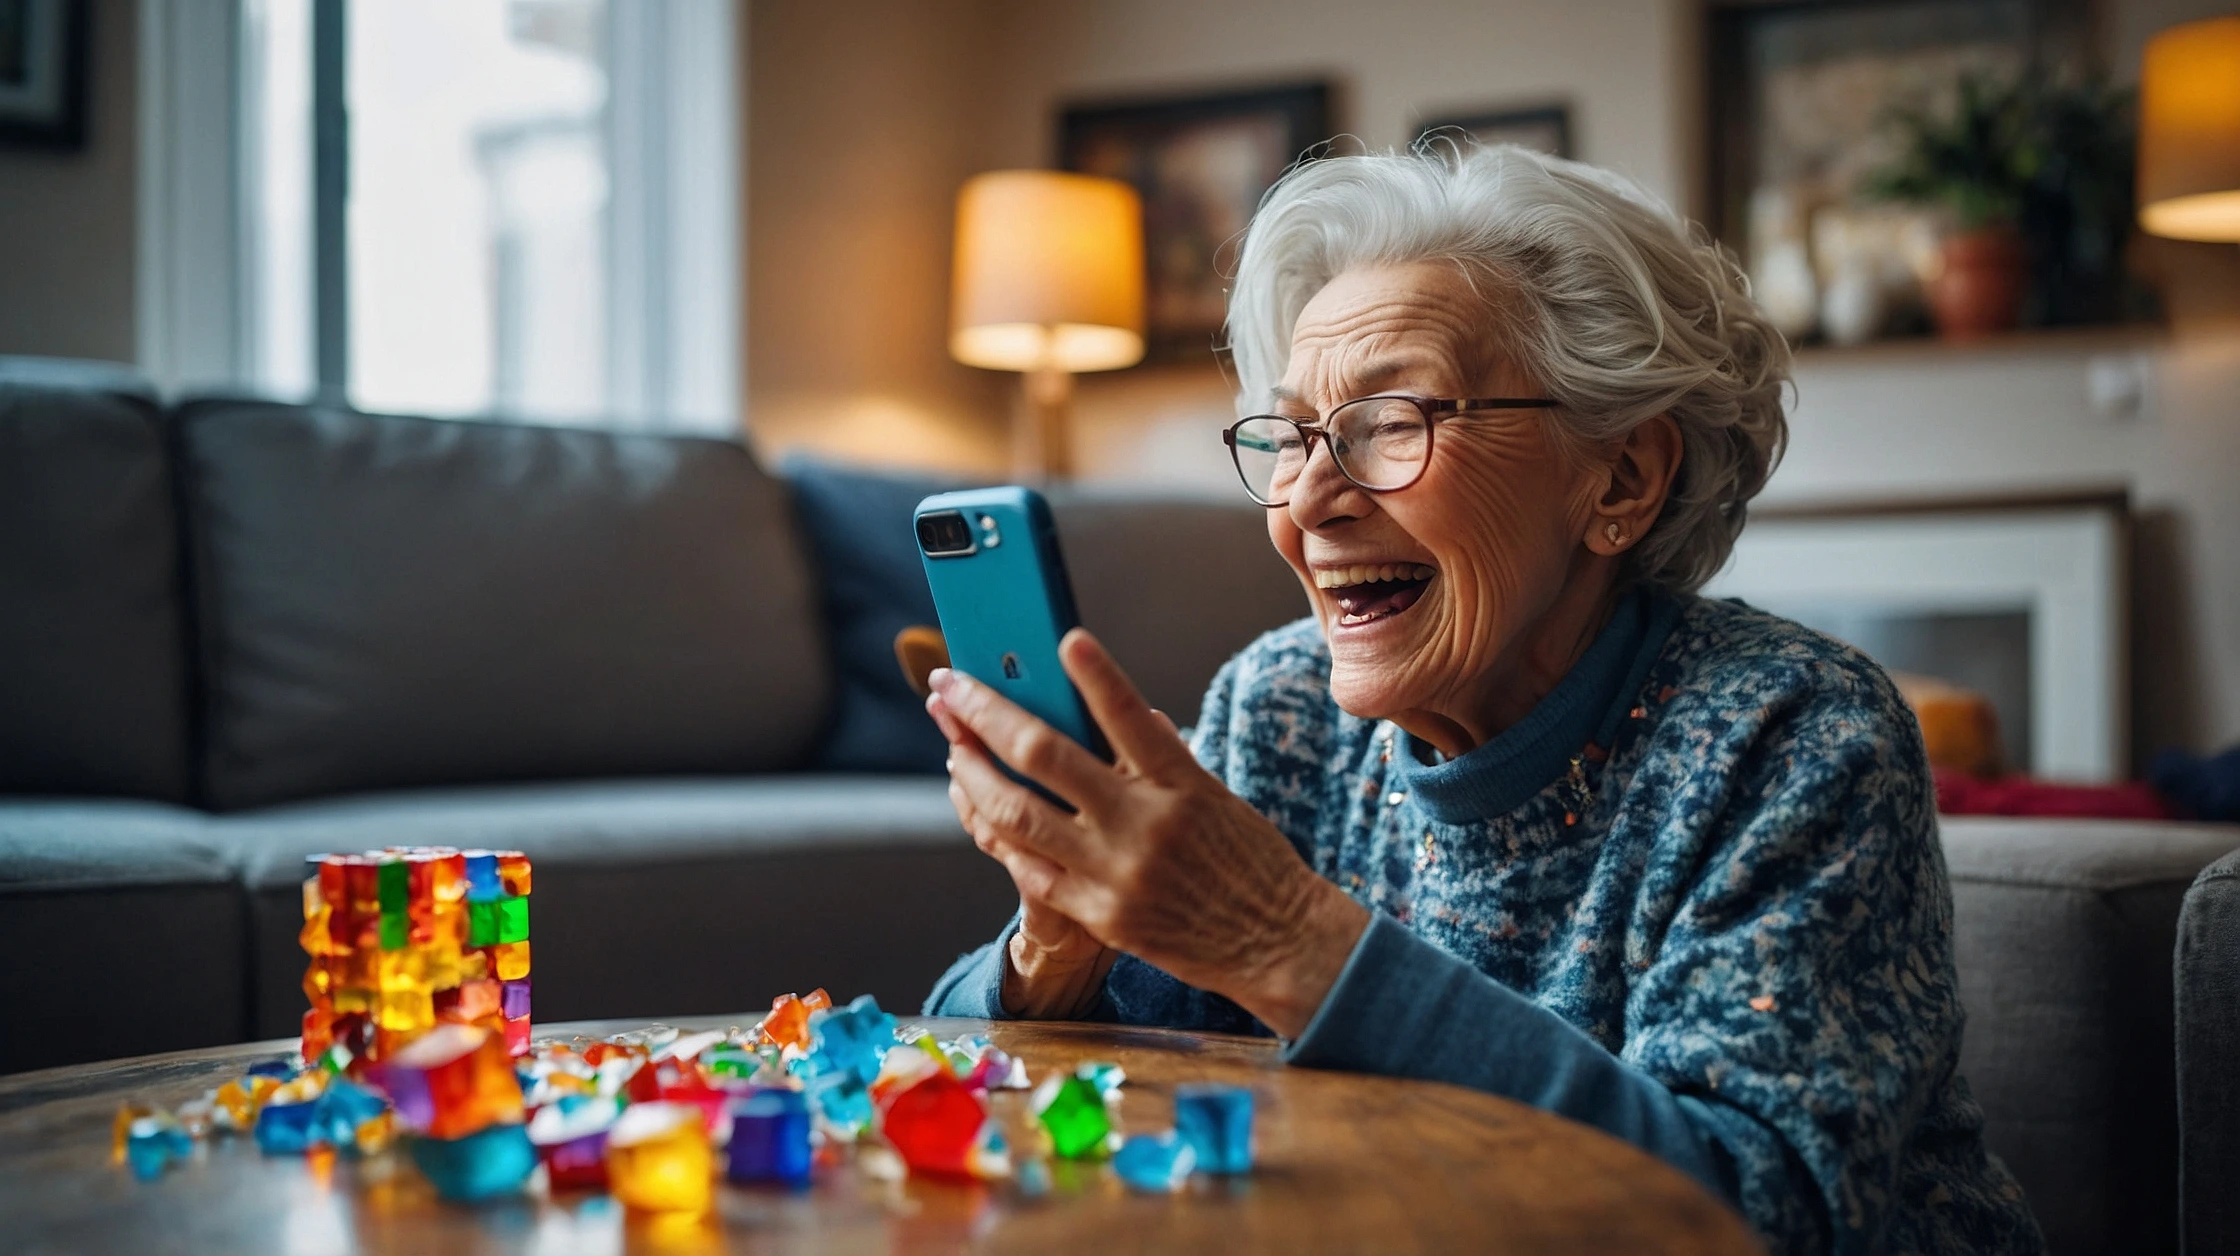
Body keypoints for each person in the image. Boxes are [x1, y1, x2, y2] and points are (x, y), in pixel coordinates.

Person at [922, 144, 2040, 1254]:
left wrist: (1281, 937)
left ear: (1619, 478)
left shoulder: (1791, 733)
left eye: (1390, 421)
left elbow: (1748, 1213)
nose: (1307, 496)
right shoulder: (1282, 706)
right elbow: (1018, 1102)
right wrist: (1054, 949)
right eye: (1295, 433)